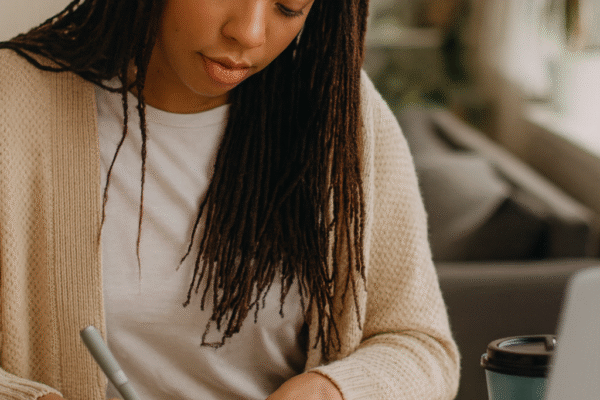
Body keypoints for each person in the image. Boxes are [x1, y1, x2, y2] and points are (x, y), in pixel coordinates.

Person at [0, 0, 460, 399]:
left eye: (288, 7)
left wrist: (333, 391)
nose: (249, 33)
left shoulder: (341, 113)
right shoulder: (12, 103)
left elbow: (420, 346)